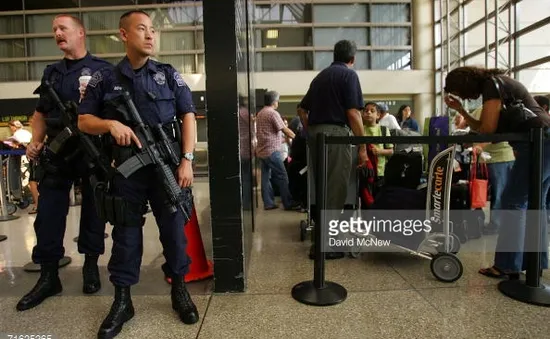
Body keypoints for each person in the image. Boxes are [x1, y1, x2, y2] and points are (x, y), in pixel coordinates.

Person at [78, 10, 199, 337]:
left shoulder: (168, 74)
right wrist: (110, 124)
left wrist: (186, 159)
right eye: (141, 29)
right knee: (125, 235)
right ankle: (122, 300)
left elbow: (189, 116)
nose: (150, 35)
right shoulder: (104, 78)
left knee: (174, 231)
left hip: (166, 166)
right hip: (127, 170)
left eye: (153, 30)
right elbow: (83, 120)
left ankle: (179, 290)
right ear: (123, 34)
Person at [16, 14, 111, 312]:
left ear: (81, 33)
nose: (57, 33)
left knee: (94, 212)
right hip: (57, 153)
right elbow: (40, 113)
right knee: (48, 213)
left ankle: (91, 266)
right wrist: (36, 141)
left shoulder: (103, 71)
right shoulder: (51, 73)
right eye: (54, 29)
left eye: (63, 28)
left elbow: (112, 114)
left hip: (90, 150)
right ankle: (48, 276)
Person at [443, 66, 550, 279]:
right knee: (534, 203)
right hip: (543, 141)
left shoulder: (493, 85)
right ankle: (534, 262)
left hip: (539, 144)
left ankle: (508, 265)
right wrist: (462, 111)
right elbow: (485, 127)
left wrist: (476, 131)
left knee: (513, 202)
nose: (463, 95)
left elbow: (488, 130)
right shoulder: (500, 83)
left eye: (459, 90)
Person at [298, 40, 367, 260]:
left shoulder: (320, 77)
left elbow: (301, 109)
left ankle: (320, 242)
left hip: (317, 137)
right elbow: (354, 114)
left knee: (322, 190)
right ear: (352, 59)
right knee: (335, 191)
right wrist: (362, 146)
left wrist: (311, 130)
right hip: (337, 136)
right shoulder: (349, 76)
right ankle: (326, 246)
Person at [256, 91, 300, 211]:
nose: (278, 102)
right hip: (272, 151)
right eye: (277, 100)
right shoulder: (272, 113)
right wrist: (297, 138)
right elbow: (284, 129)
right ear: (274, 101)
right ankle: (288, 203)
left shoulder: (260, 113)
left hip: (262, 151)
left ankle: (268, 203)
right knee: (283, 176)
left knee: (265, 178)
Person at [362, 102, 394, 191]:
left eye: (372, 111)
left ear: (378, 115)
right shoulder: (360, 129)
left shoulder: (383, 130)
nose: (368, 113)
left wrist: (379, 151)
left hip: (380, 172)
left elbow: (391, 151)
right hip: (365, 171)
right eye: (366, 111)